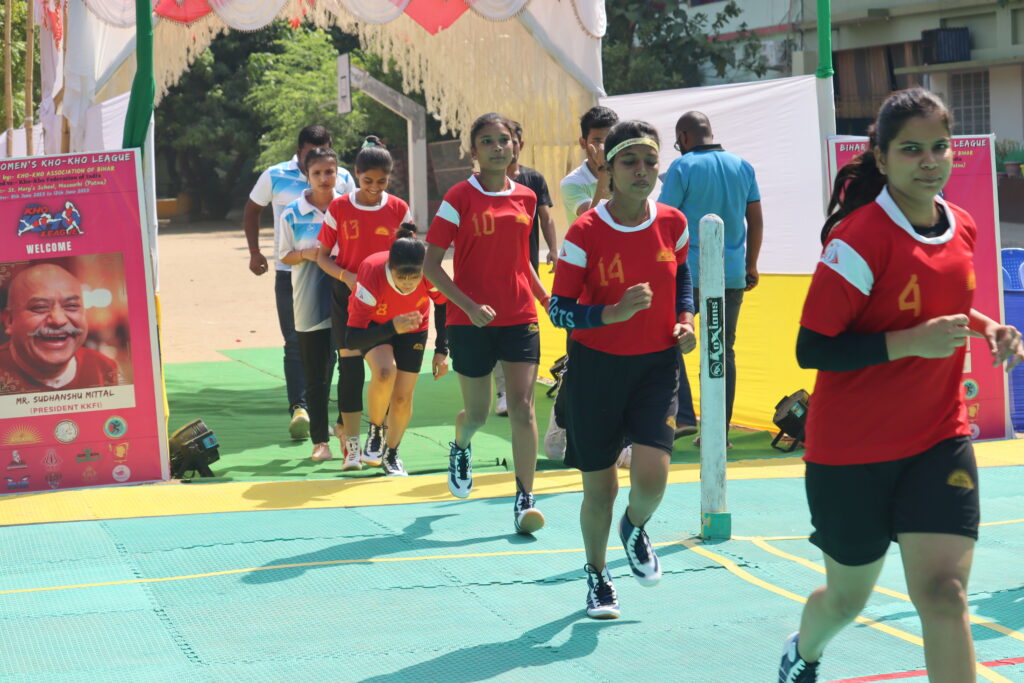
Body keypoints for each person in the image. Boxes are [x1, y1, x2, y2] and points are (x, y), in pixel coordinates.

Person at [778, 88, 1024, 683]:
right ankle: (801, 653)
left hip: (938, 441)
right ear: (882, 159)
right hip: (851, 454)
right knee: (846, 599)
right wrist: (909, 343)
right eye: (912, 150)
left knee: (944, 596)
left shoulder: (960, 226)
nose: (930, 161)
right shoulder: (858, 240)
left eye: (939, 147)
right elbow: (812, 348)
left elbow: (948, 308)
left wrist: (991, 328)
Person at [548, 120, 695, 619]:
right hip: (596, 370)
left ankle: (634, 528)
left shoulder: (673, 222)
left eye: (650, 161)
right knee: (602, 487)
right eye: (629, 162)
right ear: (607, 168)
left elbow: (684, 278)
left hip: (657, 365)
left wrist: (685, 320)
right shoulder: (585, 231)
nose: (641, 171)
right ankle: (597, 575)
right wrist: (608, 315)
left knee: (652, 479)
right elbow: (558, 309)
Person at [424, 112, 549, 534]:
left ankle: (524, 497)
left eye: (505, 140)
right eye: (488, 141)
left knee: (522, 407)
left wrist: (544, 298)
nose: (498, 147)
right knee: (477, 414)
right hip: (468, 322)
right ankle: (462, 446)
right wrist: (469, 306)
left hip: (519, 318)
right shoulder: (459, 196)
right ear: (473, 150)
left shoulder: (527, 198)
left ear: (516, 146)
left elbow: (520, 261)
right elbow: (430, 266)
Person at [244, 125, 355, 440]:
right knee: (295, 341)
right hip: (290, 270)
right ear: (299, 151)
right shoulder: (275, 175)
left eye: (325, 164)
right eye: (310, 157)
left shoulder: (343, 178)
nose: (320, 171)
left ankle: (325, 410)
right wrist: (255, 252)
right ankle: (299, 408)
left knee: (333, 344)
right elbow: (252, 210)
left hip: (335, 271)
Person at [658, 111, 763, 445]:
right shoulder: (743, 166)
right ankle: (719, 431)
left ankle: (684, 416)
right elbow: (756, 221)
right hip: (732, 274)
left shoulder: (682, 167)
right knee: (722, 349)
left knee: (668, 341)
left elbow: (663, 219)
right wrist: (751, 265)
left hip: (688, 275)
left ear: (684, 136)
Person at [317, 136, 412, 472]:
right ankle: (352, 448)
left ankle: (382, 439)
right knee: (351, 370)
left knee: (387, 374)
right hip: (348, 297)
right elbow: (322, 256)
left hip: (385, 302)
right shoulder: (339, 207)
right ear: (356, 174)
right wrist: (346, 277)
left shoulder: (399, 209)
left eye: (382, 181)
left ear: (390, 178)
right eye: (367, 180)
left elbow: (408, 258)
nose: (374, 187)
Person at [544, 106, 627, 463]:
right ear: (584, 142)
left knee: (626, 364)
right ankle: (561, 425)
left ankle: (620, 442)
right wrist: (604, 177)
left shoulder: (630, 171)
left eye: (610, 140)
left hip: (623, 282)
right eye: (597, 141)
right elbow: (593, 220)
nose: (603, 146)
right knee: (581, 364)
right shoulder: (572, 182)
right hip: (584, 287)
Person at [345, 225, 450, 476]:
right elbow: (351, 339)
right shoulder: (372, 271)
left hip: (414, 328)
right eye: (401, 277)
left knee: (402, 397)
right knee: (384, 372)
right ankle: (376, 429)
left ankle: (392, 453)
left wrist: (442, 349)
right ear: (389, 268)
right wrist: (392, 326)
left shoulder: (429, 273)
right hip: (375, 327)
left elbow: (445, 304)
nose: (407, 284)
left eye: (413, 278)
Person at [277, 147, 342, 462]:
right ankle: (320, 440)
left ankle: (345, 428)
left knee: (350, 366)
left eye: (329, 172)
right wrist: (309, 254)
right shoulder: (291, 213)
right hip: (308, 301)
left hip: (347, 298)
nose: (324, 178)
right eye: (317, 173)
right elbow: (284, 255)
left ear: (338, 172)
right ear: (307, 176)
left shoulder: (348, 208)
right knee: (316, 371)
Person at [491, 120, 558, 417]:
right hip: (492, 272)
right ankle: (503, 391)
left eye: (511, 140)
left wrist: (553, 249)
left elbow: (546, 218)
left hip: (525, 267)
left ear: (519, 144)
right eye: (497, 141)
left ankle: (521, 389)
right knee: (495, 326)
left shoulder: (532, 181)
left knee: (524, 325)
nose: (507, 147)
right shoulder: (483, 184)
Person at [0, 263, 122, 394]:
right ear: (10, 321)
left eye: (71, 306)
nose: (59, 320)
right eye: (40, 307)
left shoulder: (103, 367)